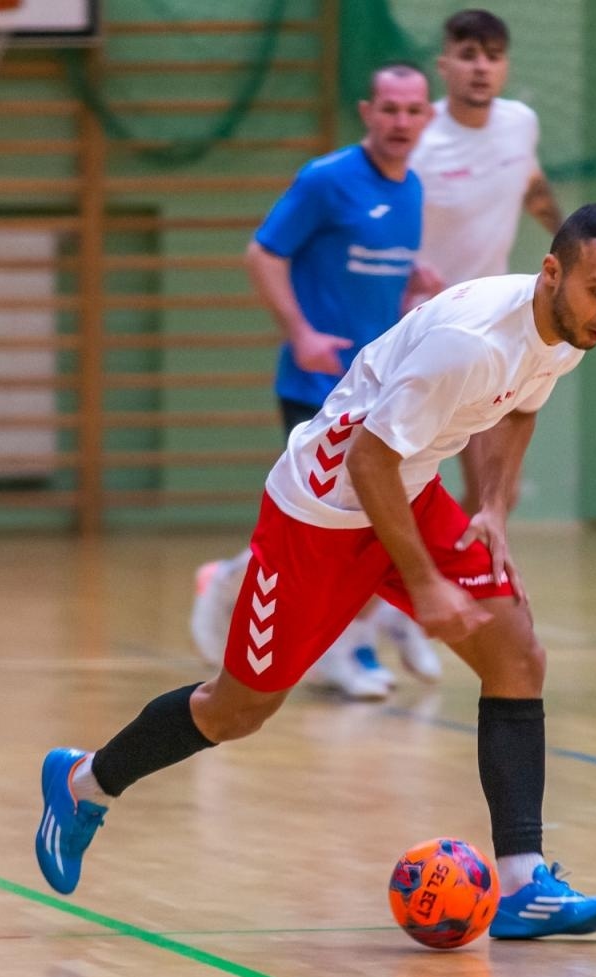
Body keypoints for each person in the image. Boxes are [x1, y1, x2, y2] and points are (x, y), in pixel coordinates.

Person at [36, 204, 596, 941]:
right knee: (237, 709)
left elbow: (519, 410)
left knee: (516, 651)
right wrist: (423, 583)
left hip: (406, 488)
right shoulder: (470, 342)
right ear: (553, 272)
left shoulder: (564, 330)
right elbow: (367, 458)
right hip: (318, 515)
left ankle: (521, 884)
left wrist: (490, 510)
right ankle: (84, 784)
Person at [189, 63, 444, 700]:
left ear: (427, 118)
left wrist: (414, 287)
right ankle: (337, 649)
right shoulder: (327, 180)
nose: (400, 122)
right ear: (368, 111)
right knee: (336, 531)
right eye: (389, 108)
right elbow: (262, 254)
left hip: (377, 391)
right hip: (316, 388)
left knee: (356, 531)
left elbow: (376, 273)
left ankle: (230, 579)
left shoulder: (411, 188)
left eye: (413, 111)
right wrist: (300, 331)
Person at [410, 9, 565, 513]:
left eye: (493, 57)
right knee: (392, 489)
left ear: (505, 67)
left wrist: (571, 250)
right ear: (444, 65)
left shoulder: (520, 124)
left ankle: (454, 589)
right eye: (468, 55)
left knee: (495, 496)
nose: (481, 67)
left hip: (493, 328)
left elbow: (533, 187)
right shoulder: (419, 140)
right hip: (422, 331)